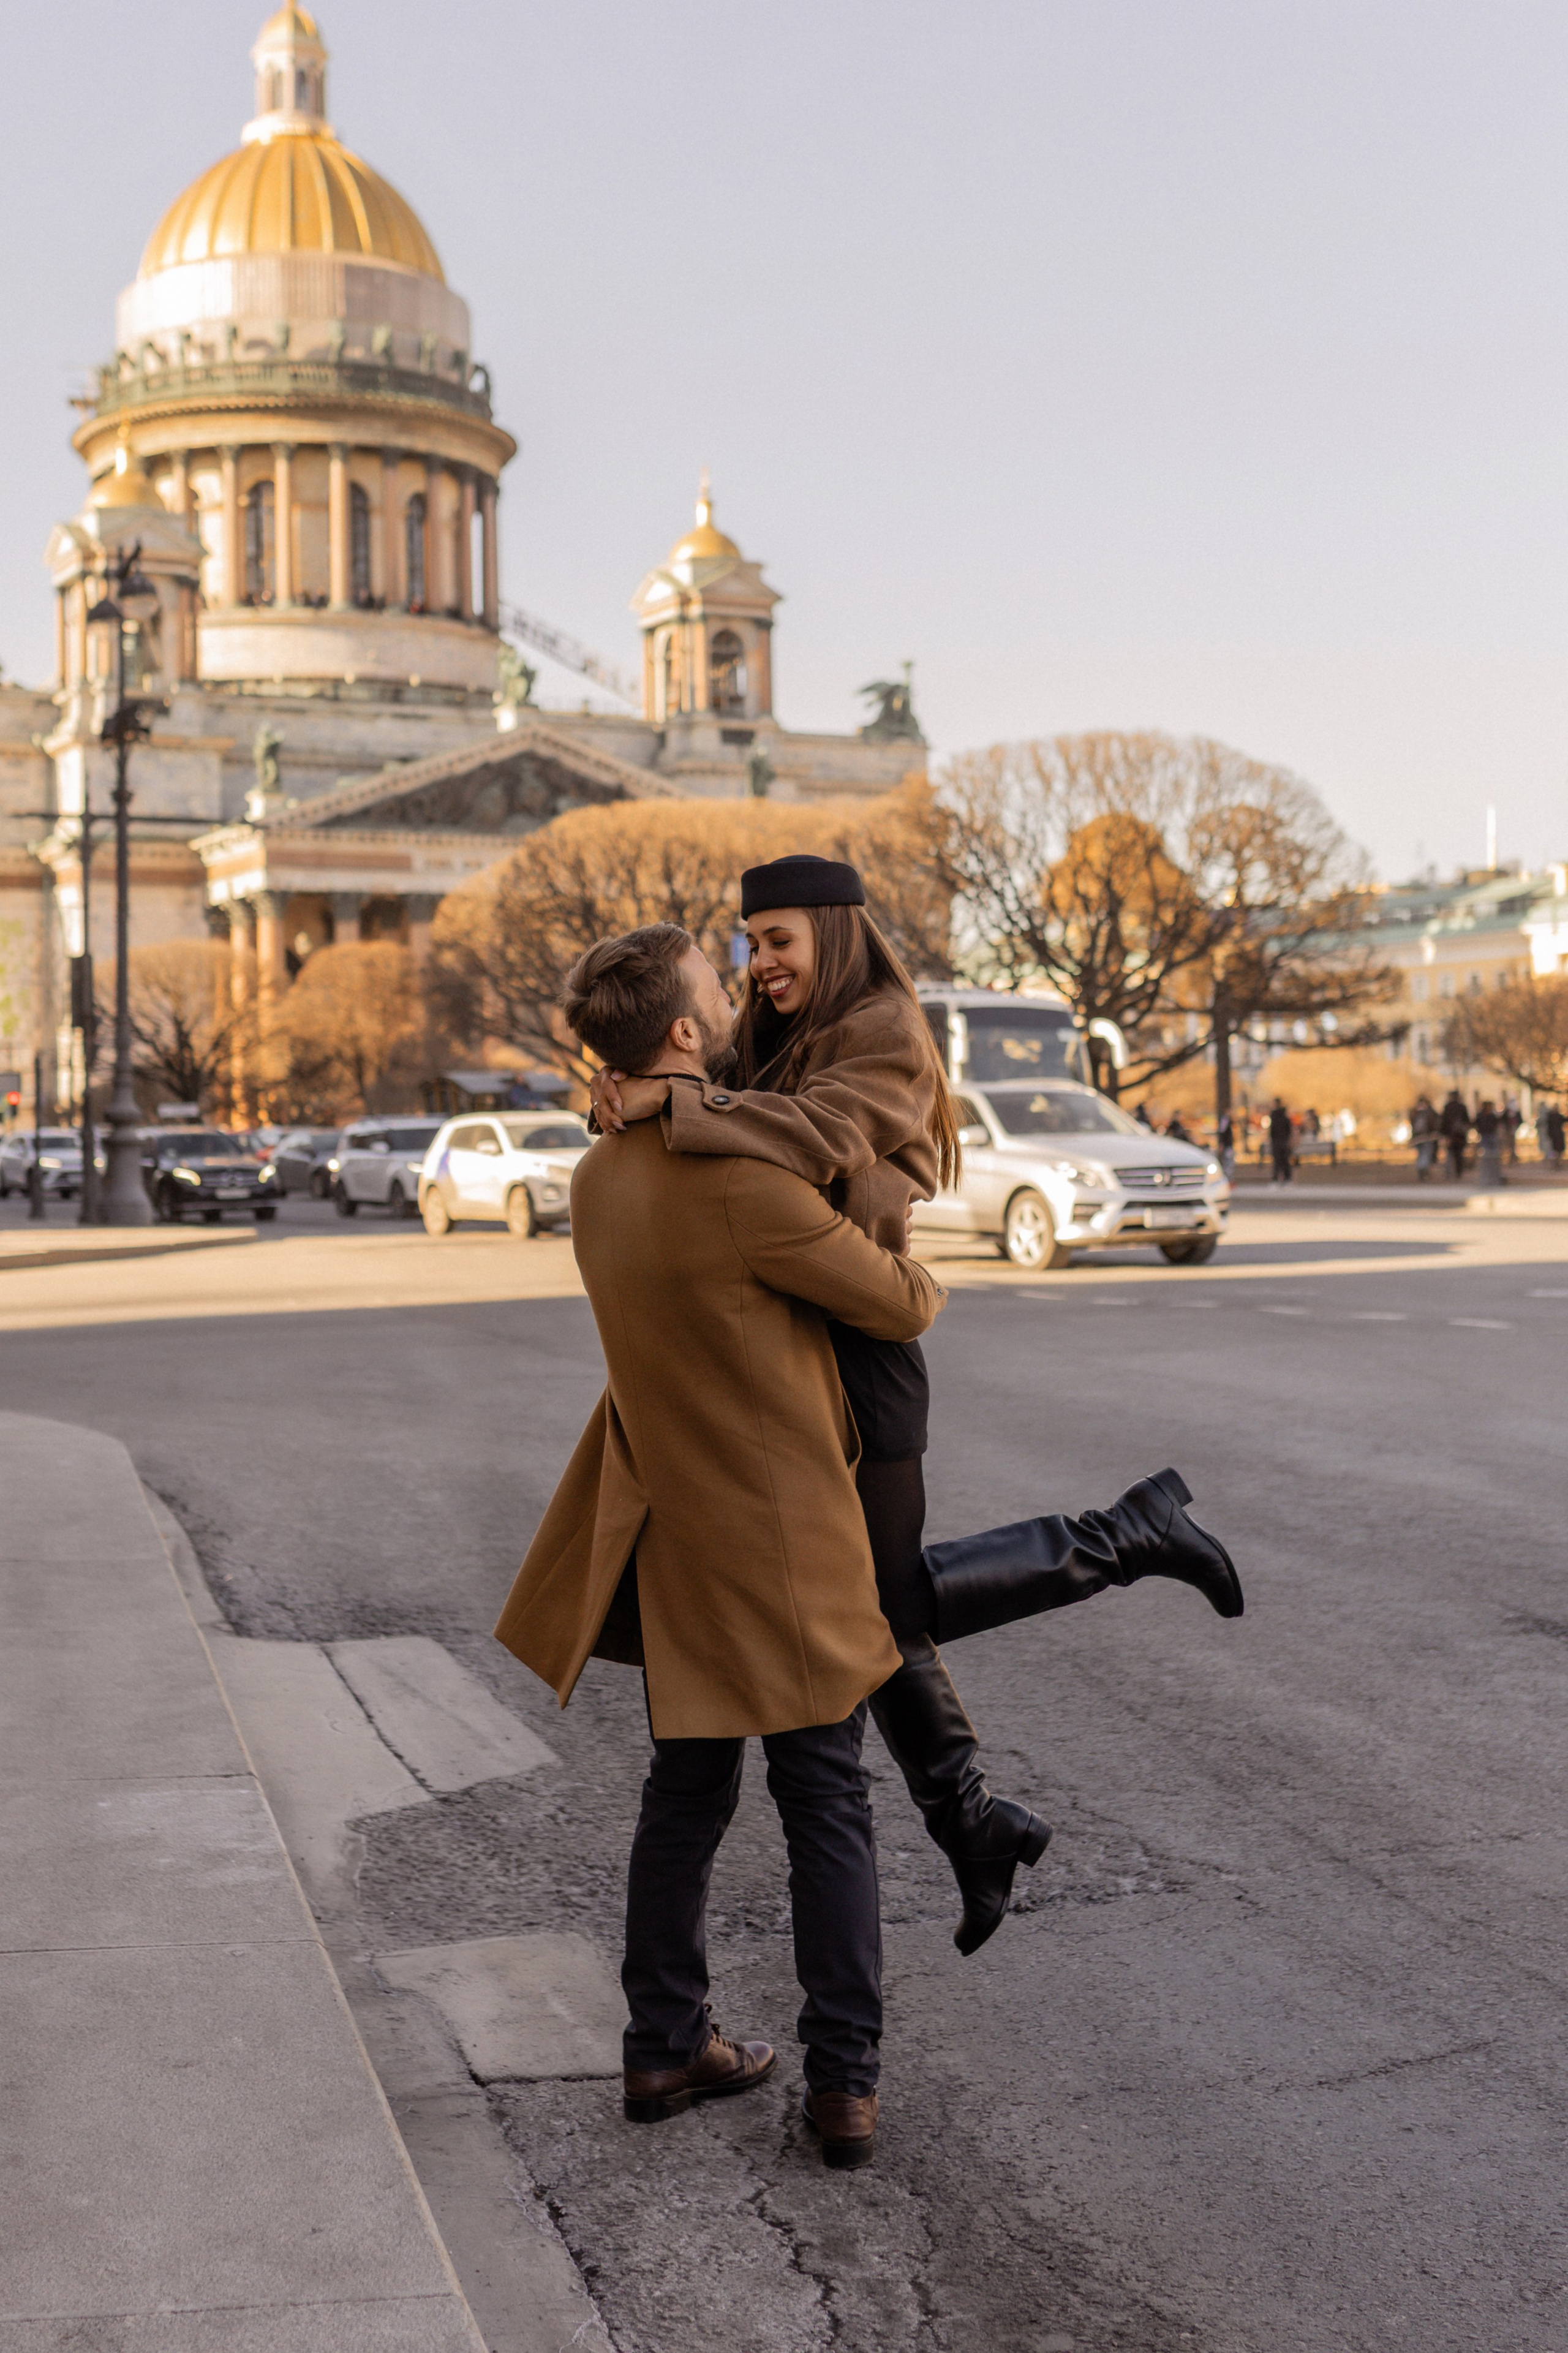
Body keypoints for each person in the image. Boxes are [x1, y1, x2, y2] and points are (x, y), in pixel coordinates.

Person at [593, 856, 1240, 1957]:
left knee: (881, 1608)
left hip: (868, 1347)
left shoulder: (884, 1028)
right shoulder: (765, 1030)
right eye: (749, 944)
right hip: (796, 1350)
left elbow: (807, 1143)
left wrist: (677, 1102)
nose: (761, 963)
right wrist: (642, 1088)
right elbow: (686, 1081)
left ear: (835, 933)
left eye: (781, 940)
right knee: (872, 1616)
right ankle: (971, 1819)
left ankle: (1127, 1538)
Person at [495, 922, 944, 2170]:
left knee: (684, 1802)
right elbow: (904, 1304)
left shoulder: (594, 1182)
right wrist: (883, 1201)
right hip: (791, 1545)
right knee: (824, 1807)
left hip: (672, 1540)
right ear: (686, 1033)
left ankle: (661, 2041)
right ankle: (843, 2087)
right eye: (715, 984)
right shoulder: (750, 1187)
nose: (737, 986)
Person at [1439, 1089, 1471, 1181]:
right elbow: (1467, 1121)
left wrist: (1444, 1134)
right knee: (1459, 1155)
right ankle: (1458, 1172)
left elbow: (1444, 1123)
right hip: (1460, 1136)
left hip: (1451, 1136)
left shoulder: (1448, 1108)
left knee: (1450, 1154)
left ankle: (1449, 1173)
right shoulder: (1462, 1107)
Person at [1474, 1098, 1504, 1188]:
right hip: (1485, 1134)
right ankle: (1488, 1173)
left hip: (1491, 1134)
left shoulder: (1492, 1115)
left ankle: (1493, 1172)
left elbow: (1497, 1123)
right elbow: (1477, 1123)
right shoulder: (1481, 1115)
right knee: (1486, 1154)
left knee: (1493, 1153)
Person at [1410, 1095, 1439, 1181]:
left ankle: (1421, 1169)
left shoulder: (1415, 1112)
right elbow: (1434, 1123)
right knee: (1425, 1154)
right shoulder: (1429, 1112)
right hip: (1427, 1137)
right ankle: (1423, 1169)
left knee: (1421, 1154)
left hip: (1417, 1138)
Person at [1267, 1098, 1294, 1184]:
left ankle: (1277, 1180)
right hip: (1283, 1142)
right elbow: (1289, 1129)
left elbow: (1272, 1131)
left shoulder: (1274, 1116)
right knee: (1284, 1161)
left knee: (1278, 1162)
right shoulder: (1284, 1116)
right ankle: (1287, 1179)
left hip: (1278, 1142)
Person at [1538, 1099, 1565, 1171]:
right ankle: (1553, 1163)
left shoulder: (1558, 1116)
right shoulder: (1550, 1117)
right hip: (1553, 1136)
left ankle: (1557, 1163)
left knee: (1558, 1151)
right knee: (1552, 1151)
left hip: (1558, 1136)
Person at [1216, 1109, 1236, 1180]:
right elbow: (1222, 1132)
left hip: (1228, 1145)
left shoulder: (1228, 1121)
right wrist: (1222, 1144)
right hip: (1227, 1146)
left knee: (1228, 1162)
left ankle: (1228, 1178)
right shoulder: (1225, 1120)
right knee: (1228, 1163)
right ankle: (1227, 1178)